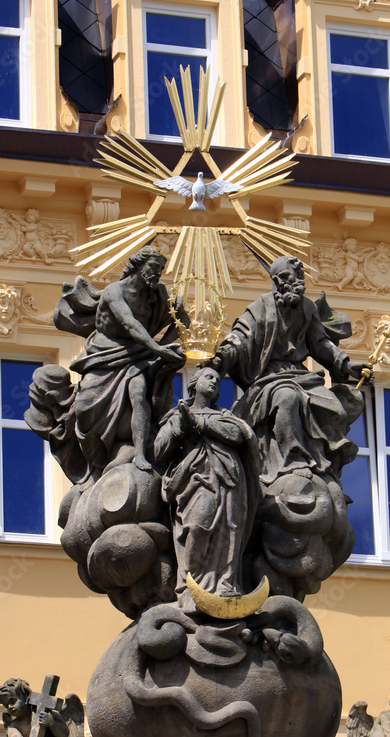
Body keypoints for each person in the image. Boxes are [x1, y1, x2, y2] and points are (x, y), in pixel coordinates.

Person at [210, 255, 370, 485]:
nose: (292, 281)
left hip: (299, 374)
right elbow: (240, 337)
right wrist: (222, 357)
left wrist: (346, 364)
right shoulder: (260, 308)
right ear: (276, 281)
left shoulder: (307, 308)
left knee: (334, 407)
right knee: (288, 398)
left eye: (296, 276)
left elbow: (321, 343)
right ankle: (291, 458)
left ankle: (325, 466)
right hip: (269, 378)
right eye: (284, 277)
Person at [57, 246, 185, 476]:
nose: (157, 274)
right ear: (139, 266)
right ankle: (92, 466)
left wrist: (163, 347)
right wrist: (158, 348)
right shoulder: (114, 291)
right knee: (85, 407)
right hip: (105, 352)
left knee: (139, 393)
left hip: (138, 353)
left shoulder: (157, 294)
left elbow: (182, 318)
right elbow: (130, 323)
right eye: (154, 268)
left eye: (161, 270)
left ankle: (139, 454)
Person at [154, 367, 260, 606]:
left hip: (229, 479)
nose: (214, 382)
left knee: (231, 528)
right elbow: (159, 450)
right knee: (196, 525)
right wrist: (181, 426)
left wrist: (198, 423)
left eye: (217, 380)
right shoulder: (178, 415)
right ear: (194, 383)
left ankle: (226, 584)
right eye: (208, 377)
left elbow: (237, 435)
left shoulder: (224, 415)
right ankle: (190, 583)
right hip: (194, 480)